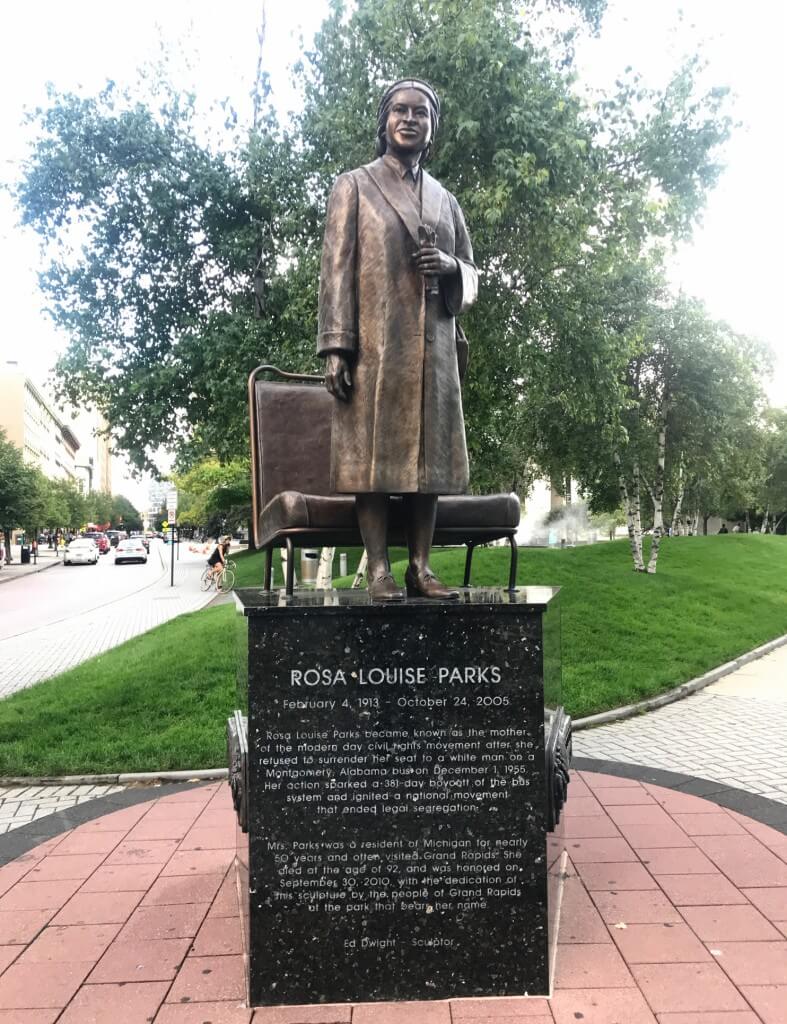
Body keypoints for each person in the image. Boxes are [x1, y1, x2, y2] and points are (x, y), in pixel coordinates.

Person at [318, 78, 478, 601]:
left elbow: (473, 278)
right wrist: (337, 345)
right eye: (400, 111)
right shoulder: (355, 186)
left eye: (421, 114)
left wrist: (451, 265)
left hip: (434, 347)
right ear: (384, 121)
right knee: (374, 462)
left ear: (431, 128)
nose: (409, 119)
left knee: (427, 464)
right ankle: (379, 570)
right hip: (375, 346)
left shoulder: (446, 200)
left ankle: (421, 567)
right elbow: (336, 271)